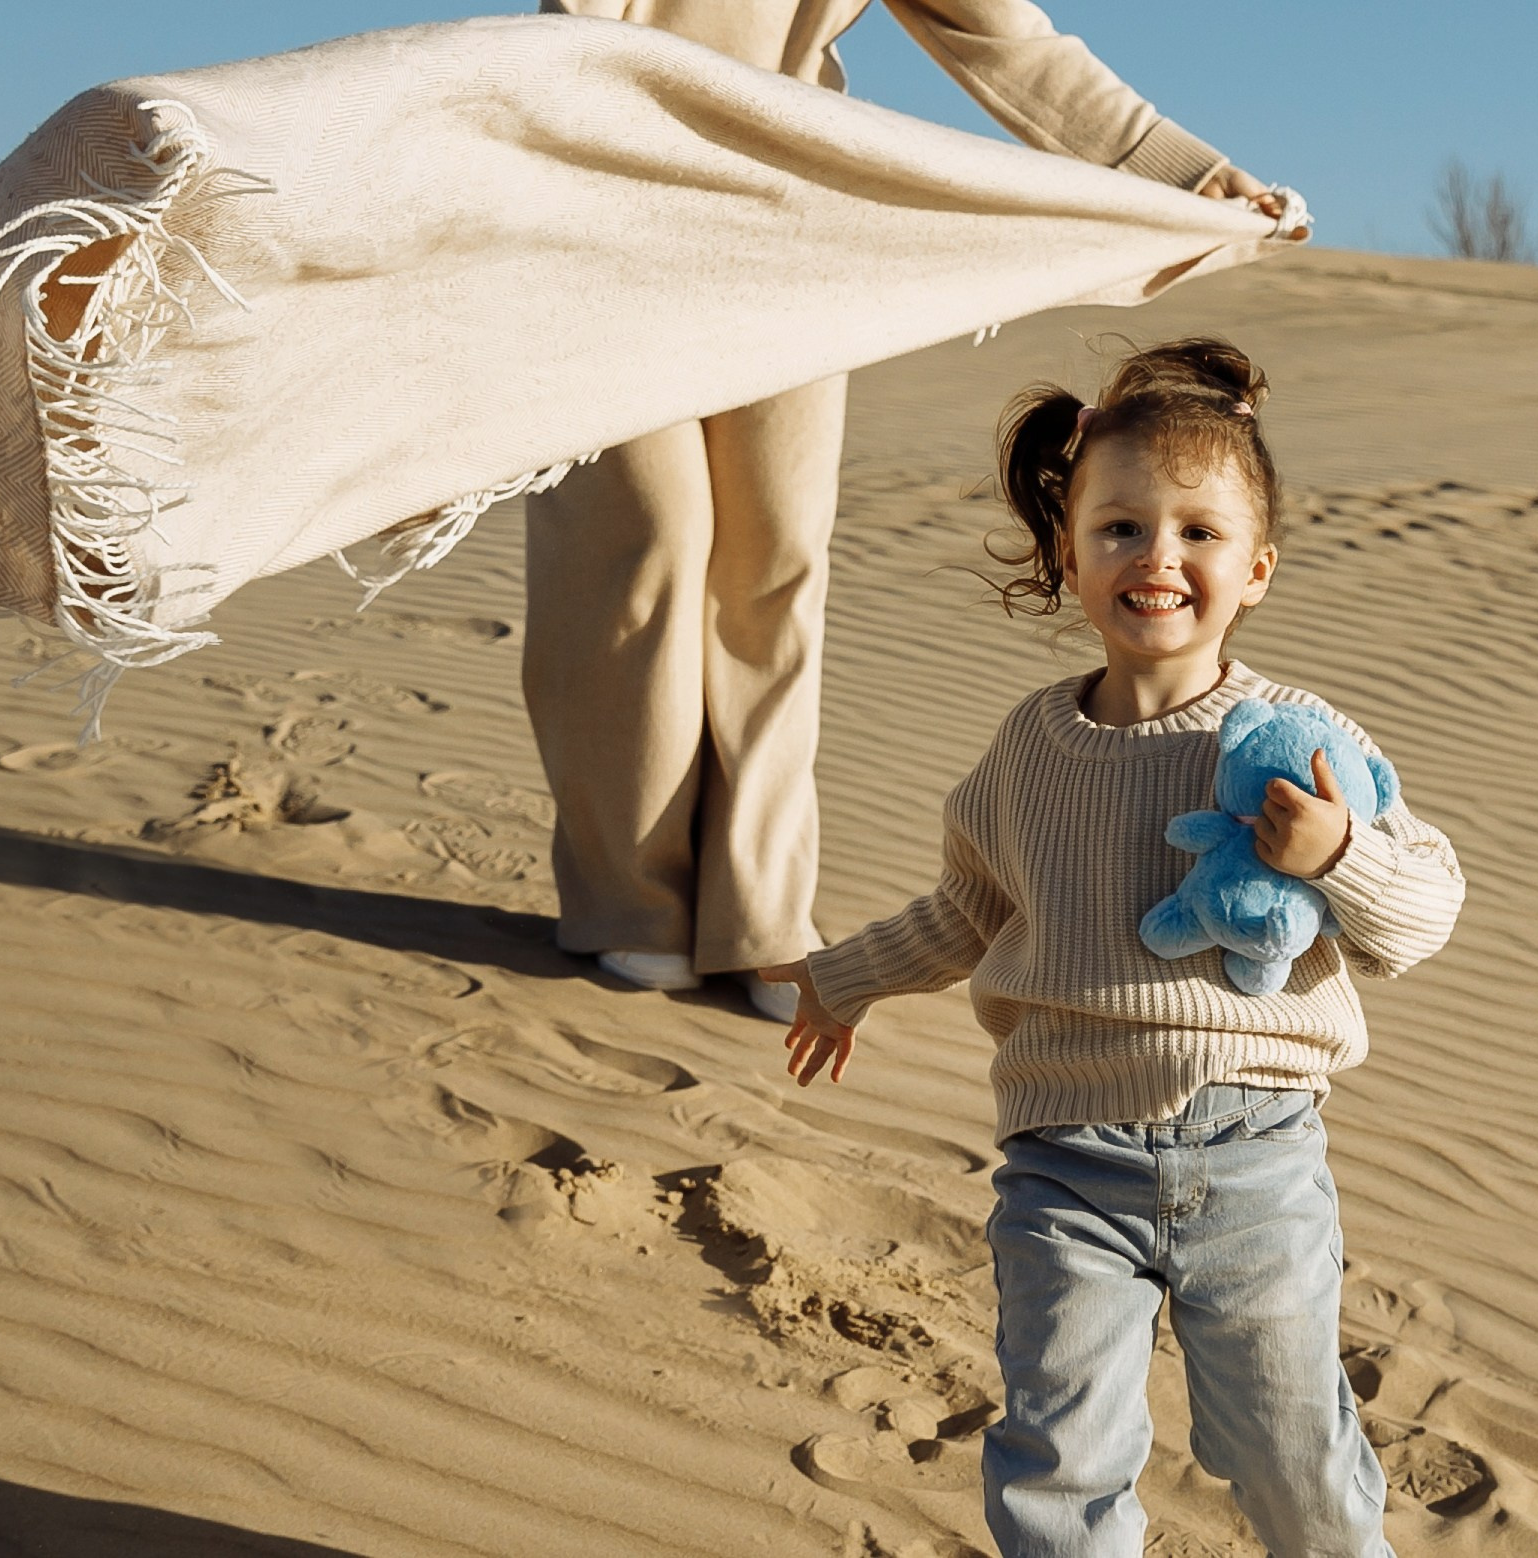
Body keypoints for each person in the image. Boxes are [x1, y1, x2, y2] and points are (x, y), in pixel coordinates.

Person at [761, 340, 1464, 1555]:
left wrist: (1337, 852)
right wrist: (845, 976)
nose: (1160, 558)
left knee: (1289, 1454)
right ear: (1068, 554)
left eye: (1199, 533)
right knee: (1059, 1456)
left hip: (1254, 1161)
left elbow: (1423, 915)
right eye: (1123, 527)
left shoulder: (1298, 742)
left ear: (1256, 570)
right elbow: (972, 908)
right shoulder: (1031, 749)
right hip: (1066, 1170)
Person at [525, 0, 1294, 1021]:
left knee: (775, 556)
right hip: (604, 205)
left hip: (787, 211)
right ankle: (632, 901)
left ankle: (758, 915)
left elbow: (1004, 36)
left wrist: (1178, 173)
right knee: (645, 545)